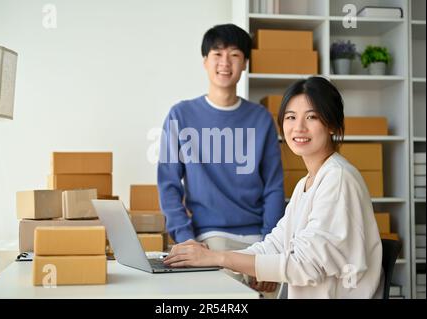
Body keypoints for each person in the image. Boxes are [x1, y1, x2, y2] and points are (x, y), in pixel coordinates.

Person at [164, 76, 384, 299]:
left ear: (333, 125)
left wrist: (218, 259)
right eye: (291, 117)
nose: (299, 127)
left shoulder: (338, 179)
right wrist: (213, 256)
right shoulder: (307, 184)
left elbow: (306, 266)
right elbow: (275, 245)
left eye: (312, 117)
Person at [157, 24, 285, 294]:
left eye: (235, 55)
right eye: (217, 54)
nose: (225, 62)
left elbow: (274, 187)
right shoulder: (180, 115)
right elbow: (168, 184)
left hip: (259, 239)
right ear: (205, 62)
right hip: (209, 239)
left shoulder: (261, 118)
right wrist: (187, 240)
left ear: (245, 63)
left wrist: (271, 250)